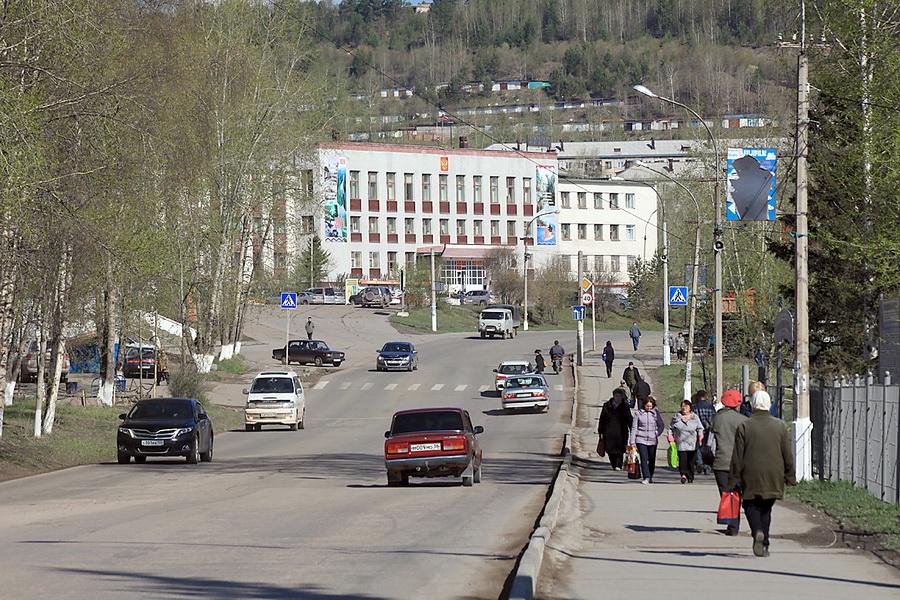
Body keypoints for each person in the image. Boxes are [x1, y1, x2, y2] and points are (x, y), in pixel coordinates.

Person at [728, 390, 796, 557]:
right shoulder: (780, 425)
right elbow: (786, 452)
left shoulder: (744, 425)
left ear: (752, 404)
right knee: (766, 508)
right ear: (768, 404)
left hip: (750, 472)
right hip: (774, 472)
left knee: (750, 504)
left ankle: (757, 531)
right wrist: (790, 475)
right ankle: (764, 542)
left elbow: (738, 455)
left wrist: (733, 477)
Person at [710, 389, 747, 536]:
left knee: (726, 493)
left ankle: (732, 526)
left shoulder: (716, 419)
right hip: (740, 463)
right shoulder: (744, 420)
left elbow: (710, 442)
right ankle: (735, 524)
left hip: (721, 462)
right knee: (737, 492)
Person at [629, 396, 665, 484]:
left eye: (650, 406)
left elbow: (661, 425)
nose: (649, 408)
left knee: (652, 459)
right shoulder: (638, 413)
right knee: (644, 458)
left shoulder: (655, 413)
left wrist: (657, 433)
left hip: (653, 440)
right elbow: (634, 427)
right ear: (644, 405)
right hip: (641, 439)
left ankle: (651, 474)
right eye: (647, 406)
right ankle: (646, 477)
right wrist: (632, 441)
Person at [668, 398, 704, 483]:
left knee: (691, 461)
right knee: (683, 460)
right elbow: (670, 428)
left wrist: (700, 437)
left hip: (692, 443)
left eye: (686, 406)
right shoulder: (676, 417)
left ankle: (690, 476)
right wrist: (670, 437)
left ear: (690, 408)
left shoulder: (695, 417)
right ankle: (683, 475)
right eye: (683, 406)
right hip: (681, 442)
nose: (684, 408)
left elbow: (700, 428)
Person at [598, 387, 633, 471]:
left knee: (620, 449)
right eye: (616, 396)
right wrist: (600, 430)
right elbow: (602, 418)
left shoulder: (624, 406)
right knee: (610, 449)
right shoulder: (607, 405)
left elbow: (629, 418)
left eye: (620, 396)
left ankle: (618, 465)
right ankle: (613, 464)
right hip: (609, 431)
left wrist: (632, 429)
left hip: (621, 432)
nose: (618, 398)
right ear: (613, 396)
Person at [692, 390, 716, 475]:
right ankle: (707, 467)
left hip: (697, 429)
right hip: (708, 429)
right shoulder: (710, 406)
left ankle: (699, 463)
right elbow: (714, 418)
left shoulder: (694, 407)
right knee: (707, 448)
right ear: (705, 396)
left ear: (698, 397)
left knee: (698, 447)